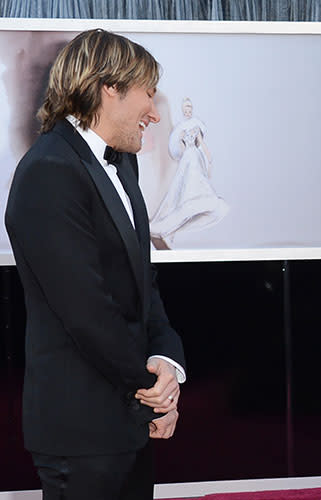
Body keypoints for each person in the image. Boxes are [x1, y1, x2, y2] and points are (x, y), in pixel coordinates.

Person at [5, 29, 186, 500]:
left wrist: (167, 363)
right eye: (147, 93)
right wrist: (152, 394)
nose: (153, 111)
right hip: (79, 432)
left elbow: (143, 284)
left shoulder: (124, 164)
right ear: (110, 88)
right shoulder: (49, 172)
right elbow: (86, 313)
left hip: (126, 421)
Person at [150, 97, 229, 249]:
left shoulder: (196, 125)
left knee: (196, 185)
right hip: (187, 158)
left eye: (189, 109)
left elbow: (202, 144)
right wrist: (181, 141)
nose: (187, 112)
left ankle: (174, 229)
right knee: (183, 187)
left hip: (194, 157)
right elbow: (179, 148)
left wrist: (208, 157)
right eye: (185, 110)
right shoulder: (180, 128)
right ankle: (170, 230)